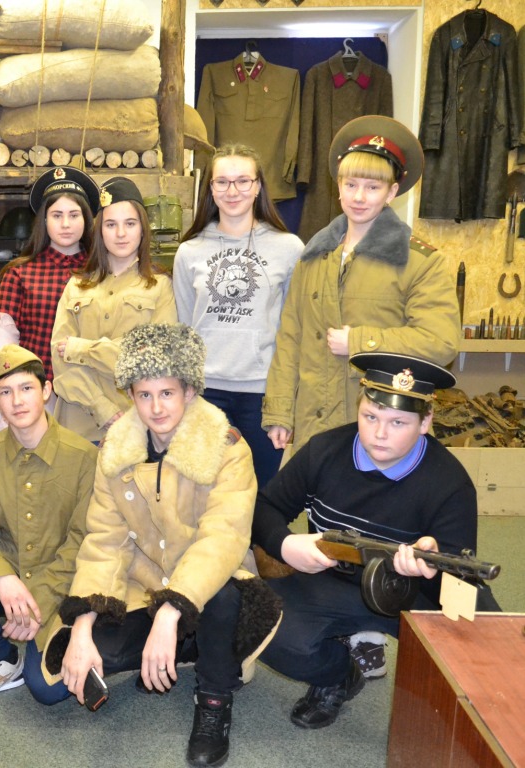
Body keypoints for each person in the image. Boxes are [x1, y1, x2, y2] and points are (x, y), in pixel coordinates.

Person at [42, 323, 282, 767]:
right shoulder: (115, 449)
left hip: (214, 585)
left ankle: (213, 700)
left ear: (189, 391)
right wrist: (83, 625)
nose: (156, 408)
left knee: (223, 597)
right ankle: (190, 648)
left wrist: (172, 611)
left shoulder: (227, 448)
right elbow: (105, 541)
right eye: (144, 395)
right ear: (131, 396)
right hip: (147, 583)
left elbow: (222, 539)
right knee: (70, 667)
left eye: (167, 393)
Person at [253, 352, 483, 730]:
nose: (379, 434)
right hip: (330, 582)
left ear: (426, 422)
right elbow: (264, 508)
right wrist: (285, 545)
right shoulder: (324, 450)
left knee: (483, 649)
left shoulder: (450, 484)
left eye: (398, 422)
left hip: (412, 595)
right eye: (370, 416)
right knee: (261, 625)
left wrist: (432, 569)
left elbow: (461, 583)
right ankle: (339, 675)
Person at [262, 116, 461, 454]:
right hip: (313, 426)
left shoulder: (419, 262)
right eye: (351, 184)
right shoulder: (314, 257)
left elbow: (441, 342)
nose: (359, 197)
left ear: (391, 192)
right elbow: (290, 338)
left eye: (372, 187)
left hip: (381, 427)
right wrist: (280, 411)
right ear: (338, 186)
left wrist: (360, 341)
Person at [0, 345, 98, 706]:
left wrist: (38, 600)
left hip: (61, 583)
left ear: (46, 391)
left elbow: (82, 541)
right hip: (9, 576)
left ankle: (70, 635)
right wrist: (2, 577)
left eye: (26, 388)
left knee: (49, 690)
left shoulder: (84, 457)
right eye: (6, 392)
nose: (17, 401)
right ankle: (2, 657)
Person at [173, 144, 303, 488]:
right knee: (206, 492)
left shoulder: (289, 248)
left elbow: (293, 332)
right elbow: (184, 329)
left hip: (262, 394)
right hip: (205, 394)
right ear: (211, 188)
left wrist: (284, 404)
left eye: (243, 181)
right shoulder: (189, 252)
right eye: (222, 182)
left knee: (262, 494)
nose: (233, 191)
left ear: (258, 186)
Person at [0, 167, 99, 445]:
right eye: (57, 215)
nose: (66, 224)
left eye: (74, 215)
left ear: (86, 219)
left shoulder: (102, 272)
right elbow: (1, 349)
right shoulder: (19, 273)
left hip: (92, 398)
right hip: (38, 398)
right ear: (44, 221)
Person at [50, 177, 177, 443]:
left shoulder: (160, 286)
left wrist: (82, 349)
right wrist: (102, 408)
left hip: (135, 423)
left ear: (142, 229)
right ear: (100, 230)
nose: (120, 233)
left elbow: (153, 359)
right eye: (111, 224)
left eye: (130, 223)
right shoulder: (76, 286)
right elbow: (60, 360)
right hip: (77, 425)